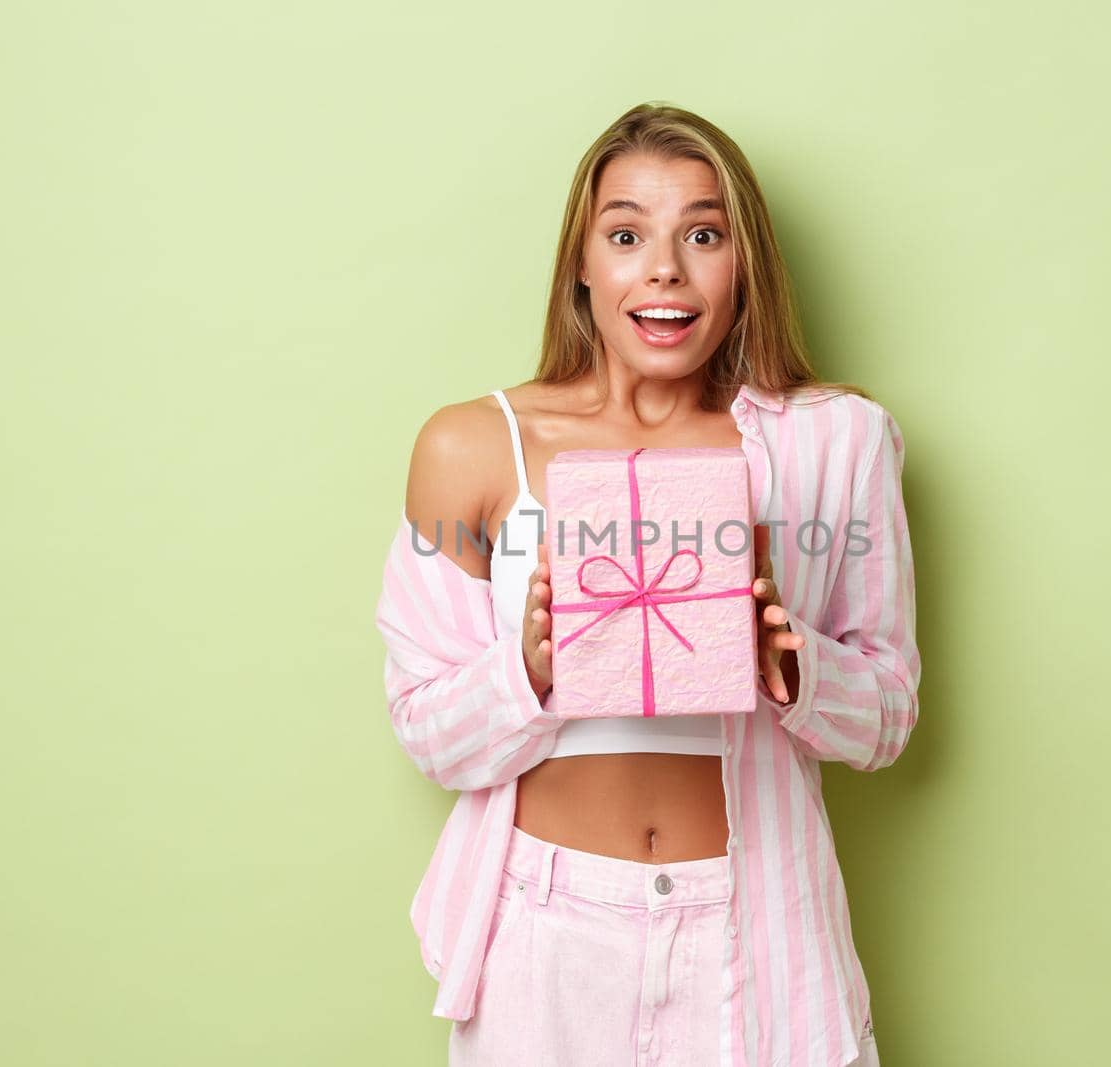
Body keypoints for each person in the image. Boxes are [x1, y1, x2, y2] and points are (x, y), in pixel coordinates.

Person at [375, 101, 921, 1066]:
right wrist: (530, 669)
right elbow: (425, 723)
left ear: (742, 260)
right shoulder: (468, 447)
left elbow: (887, 716)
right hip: (542, 936)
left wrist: (792, 668)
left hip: (754, 930)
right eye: (626, 234)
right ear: (581, 263)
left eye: (701, 234)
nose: (663, 267)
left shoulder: (835, 443)